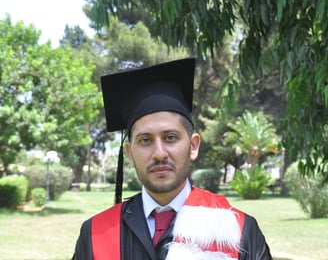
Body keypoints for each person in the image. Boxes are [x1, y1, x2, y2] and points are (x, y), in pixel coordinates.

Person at [72, 58, 272, 260]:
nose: (159, 153)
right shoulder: (95, 234)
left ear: (193, 146)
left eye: (170, 138)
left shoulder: (238, 231)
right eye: (145, 140)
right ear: (130, 153)